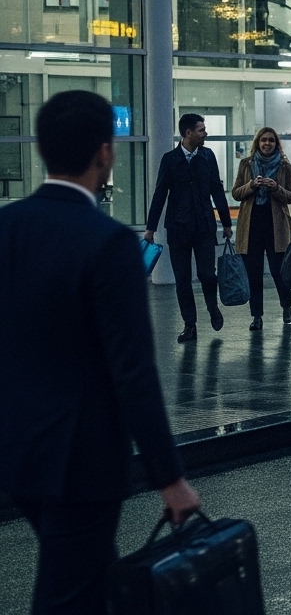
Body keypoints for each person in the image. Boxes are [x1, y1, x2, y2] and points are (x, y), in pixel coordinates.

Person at [1, 91, 200, 615]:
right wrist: (170, 477)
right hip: (80, 459)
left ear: (42, 148)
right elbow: (132, 370)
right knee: (68, 596)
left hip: (17, 449)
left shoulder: (7, 227)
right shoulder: (108, 242)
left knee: (92, 579)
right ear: (105, 153)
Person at [145, 113, 233, 342]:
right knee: (182, 279)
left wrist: (226, 223)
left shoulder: (207, 156)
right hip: (178, 227)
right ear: (188, 133)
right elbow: (159, 194)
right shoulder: (170, 159)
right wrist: (150, 228)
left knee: (207, 274)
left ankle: (212, 308)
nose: (205, 133)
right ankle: (190, 325)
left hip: (204, 225)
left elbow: (216, 189)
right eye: (201, 130)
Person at [231, 127, 291, 331]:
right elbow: (236, 193)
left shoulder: (284, 166)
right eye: (263, 141)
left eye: (270, 140)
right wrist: (252, 185)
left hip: (275, 226)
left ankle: (286, 306)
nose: (267, 144)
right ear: (257, 144)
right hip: (251, 227)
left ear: (276, 144)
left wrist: (275, 188)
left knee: (279, 272)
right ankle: (257, 316)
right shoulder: (246, 164)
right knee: (254, 273)